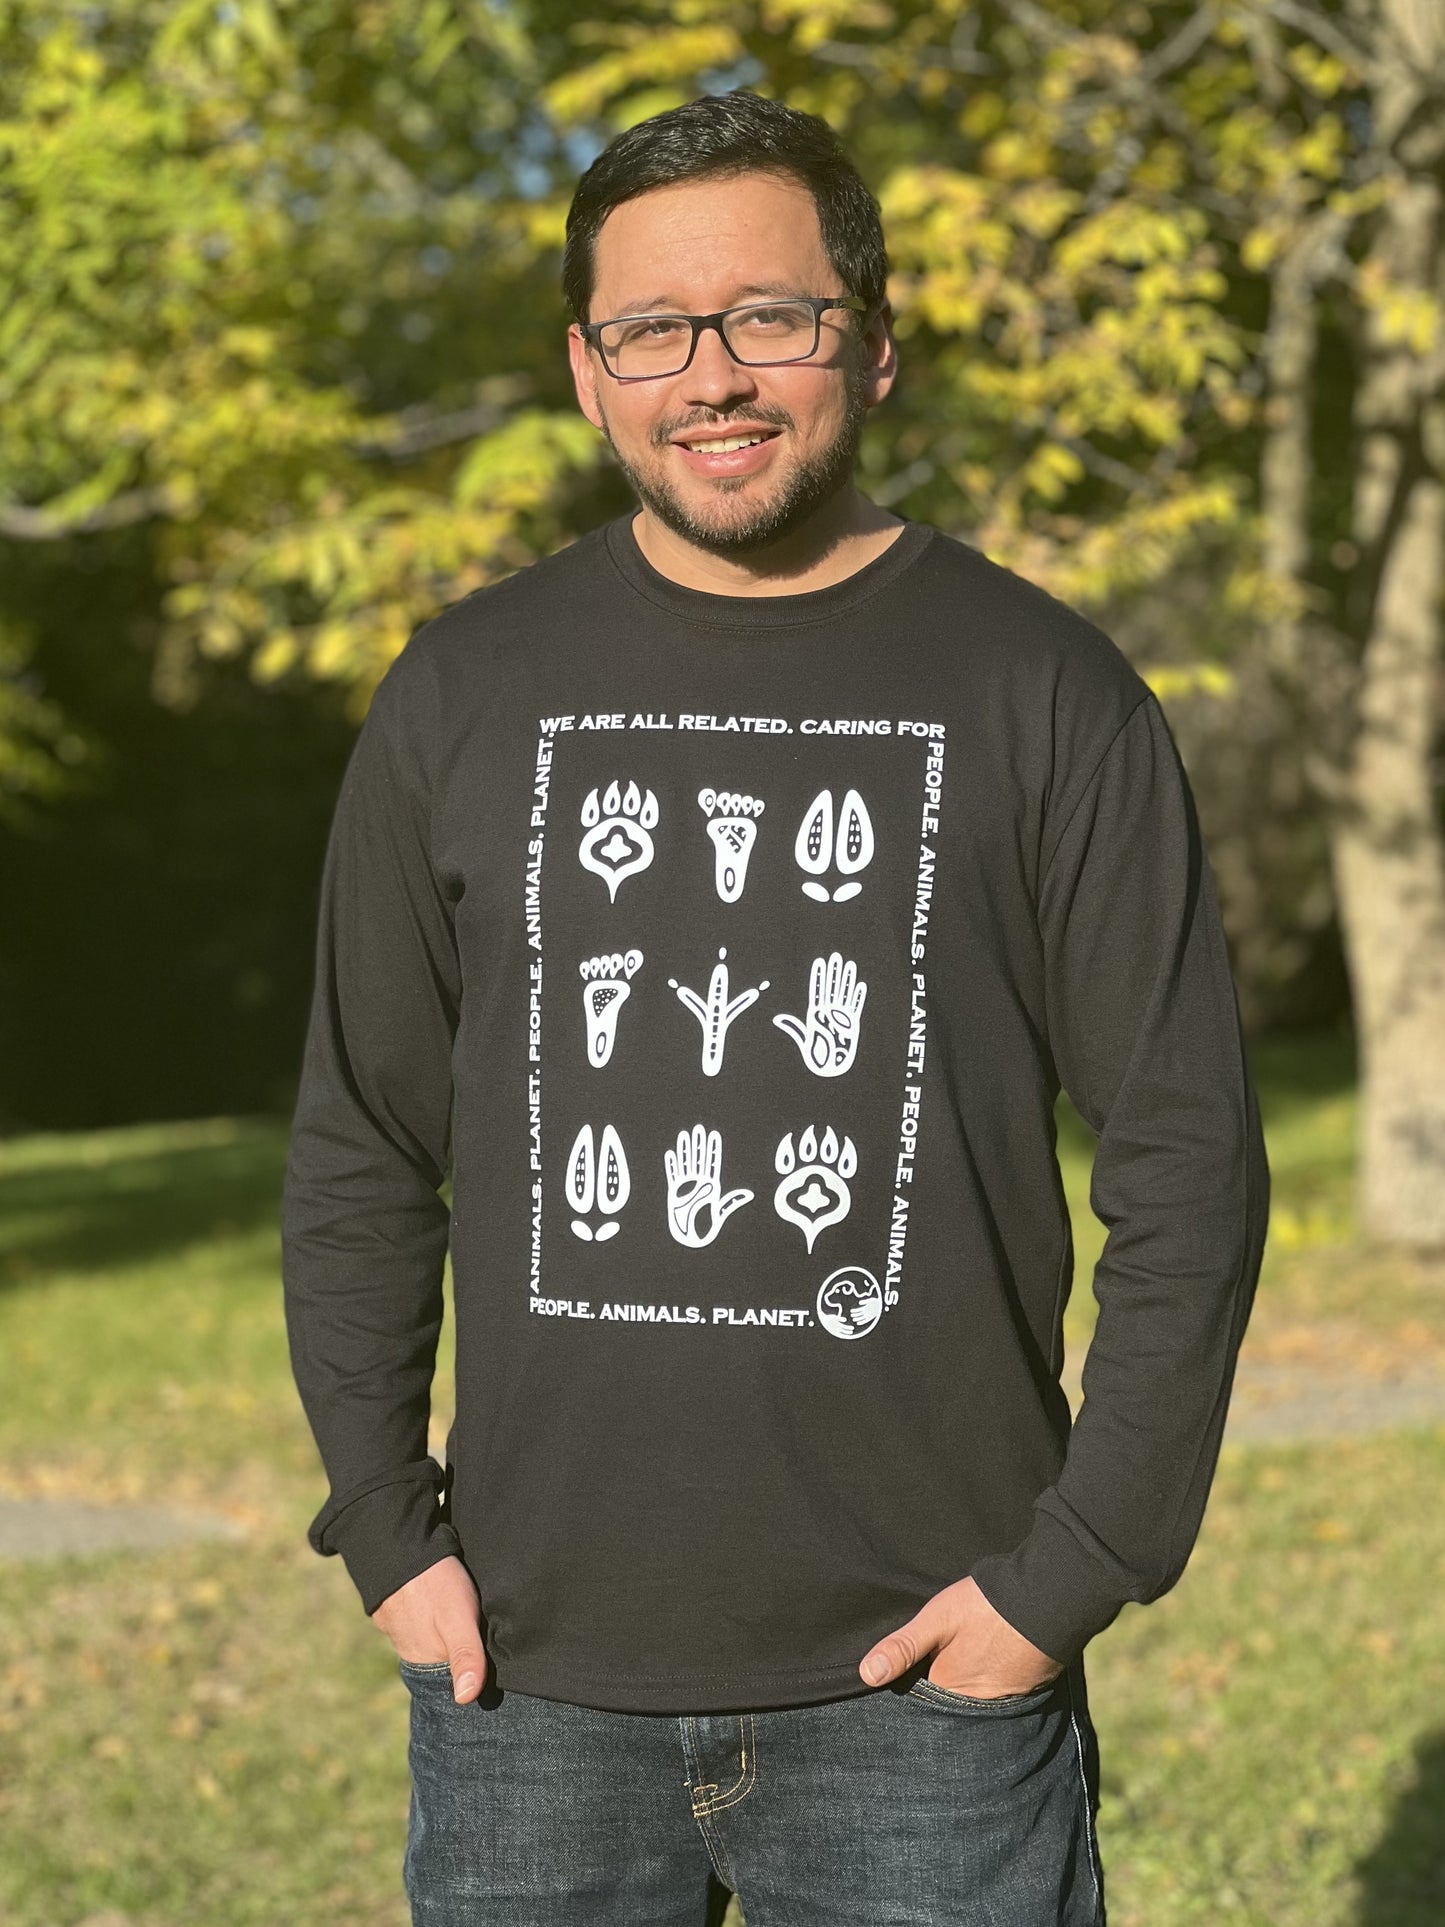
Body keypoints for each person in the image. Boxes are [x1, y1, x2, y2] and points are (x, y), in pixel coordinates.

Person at [282, 88, 1269, 1927]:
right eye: (650, 329)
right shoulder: (462, 693)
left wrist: (1069, 1575)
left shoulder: (1044, 692)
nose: (709, 374)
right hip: (529, 1685)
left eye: (769, 317)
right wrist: (384, 1531)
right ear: (587, 374)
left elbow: (1188, 1163)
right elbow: (363, 1140)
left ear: (871, 347)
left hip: (927, 1690)